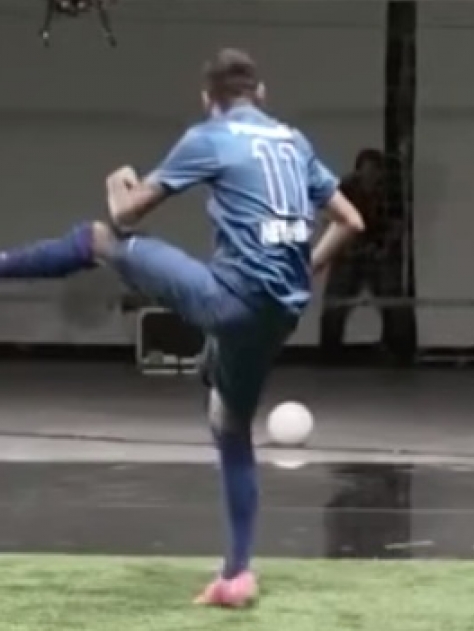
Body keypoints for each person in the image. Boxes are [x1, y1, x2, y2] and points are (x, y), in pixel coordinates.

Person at [0, 48, 363, 607]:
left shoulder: (209, 137)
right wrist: (304, 269)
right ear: (261, 94)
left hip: (228, 301)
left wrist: (119, 180)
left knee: (99, 238)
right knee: (229, 425)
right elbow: (351, 220)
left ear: (207, 99)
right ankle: (236, 575)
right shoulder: (294, 141)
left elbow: (127, 213)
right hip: (281, 313)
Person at [320, 148, 416, 362]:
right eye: (368, 172)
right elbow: (333, 220)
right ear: (358, 172)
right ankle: (329, 353)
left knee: (392, 299)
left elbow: (397, 225)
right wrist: (348, 246)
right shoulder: (345, 188)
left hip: (379, 249)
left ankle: (399, 352)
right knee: (336, 301)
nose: (372, 177)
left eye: (376, 172)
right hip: (348, 249)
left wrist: (382, 247)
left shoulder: (389, 192)